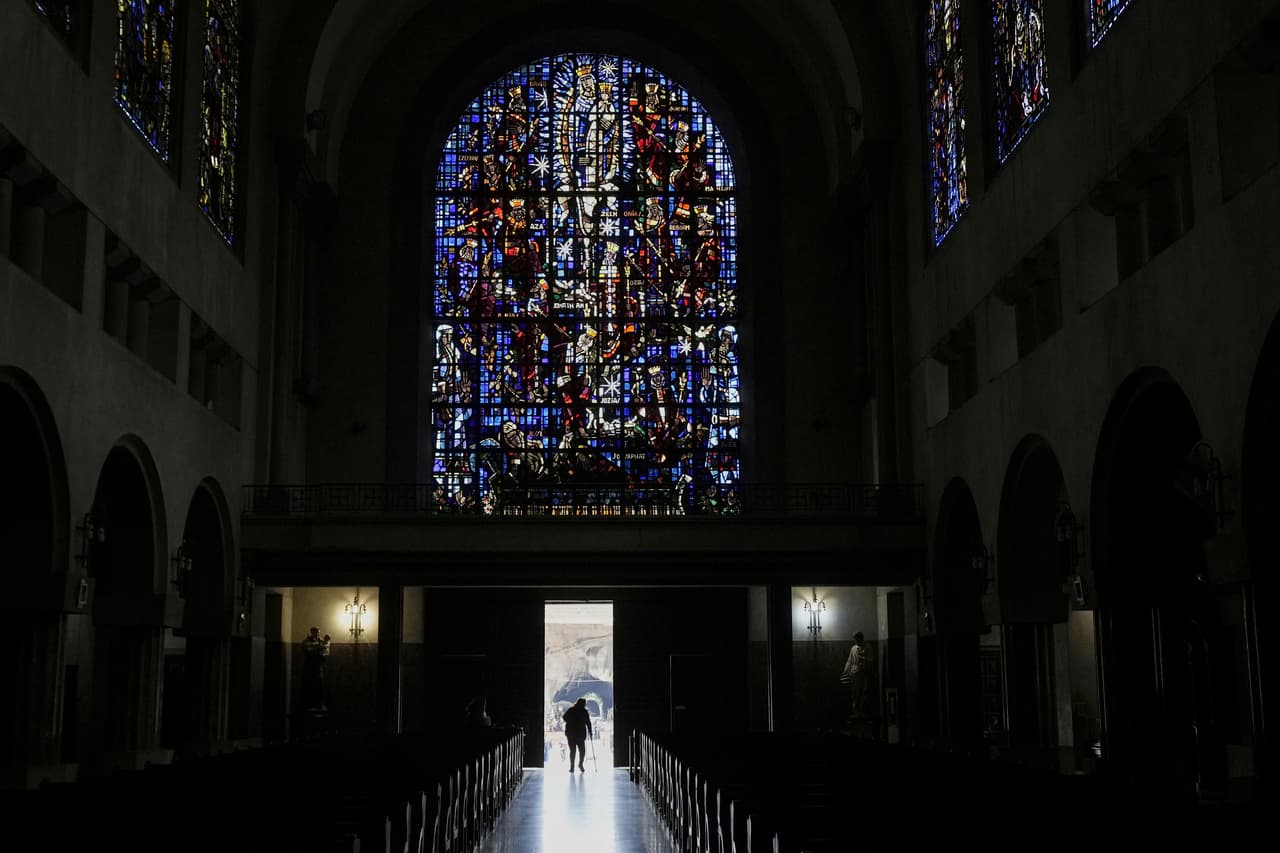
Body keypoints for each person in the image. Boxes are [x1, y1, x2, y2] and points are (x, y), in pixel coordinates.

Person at [840, 632, 871, 721]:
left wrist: (864, 659)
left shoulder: (867, 647)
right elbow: (849, 661)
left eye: (858, 639)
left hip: (864, 673)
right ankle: (856, 712)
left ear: (862, 639)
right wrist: (845, 671)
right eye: (855, 640)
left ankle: (862, 712)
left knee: (863, 692)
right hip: (854, 674)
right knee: (855, 693)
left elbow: (871, 659)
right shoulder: (853, 648)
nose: (856, 641)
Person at [301, 626, 331, 711]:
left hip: (318, 668)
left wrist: (325, 644)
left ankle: (319, 704)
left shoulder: (321, 641)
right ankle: (308, 705)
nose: (317, 634)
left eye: (318, 632)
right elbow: (309, 651)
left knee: (319, 687)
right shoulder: (306, 642)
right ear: (311, 632)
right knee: (308, 687)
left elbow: (326, 653)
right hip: (308, 668)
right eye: (315, 632)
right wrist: (321, 647)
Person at [562, 697, 593, 772]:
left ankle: (572, 767)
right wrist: (590, 731)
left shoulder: (571, 710)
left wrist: (570, 721)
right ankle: (580, 764)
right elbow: (588, 722)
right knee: (582, 751)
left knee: (573, 751)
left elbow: (564, 717)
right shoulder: (584, 711)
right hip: (580, 734)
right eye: (584, 704)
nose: (585, 705)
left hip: (571, 734)